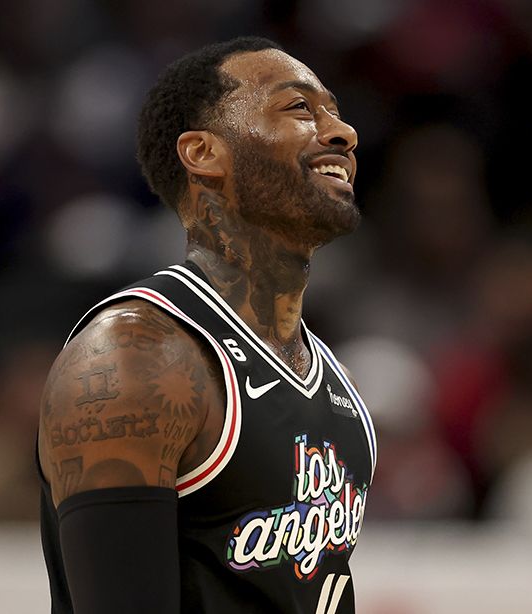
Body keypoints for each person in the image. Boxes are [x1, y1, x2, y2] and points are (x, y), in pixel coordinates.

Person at [37, 37, 377, 614]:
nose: (343, 133)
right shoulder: (136, 356)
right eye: (300, 108)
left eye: (336, 113)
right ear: (202, 152)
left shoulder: (335, 381)